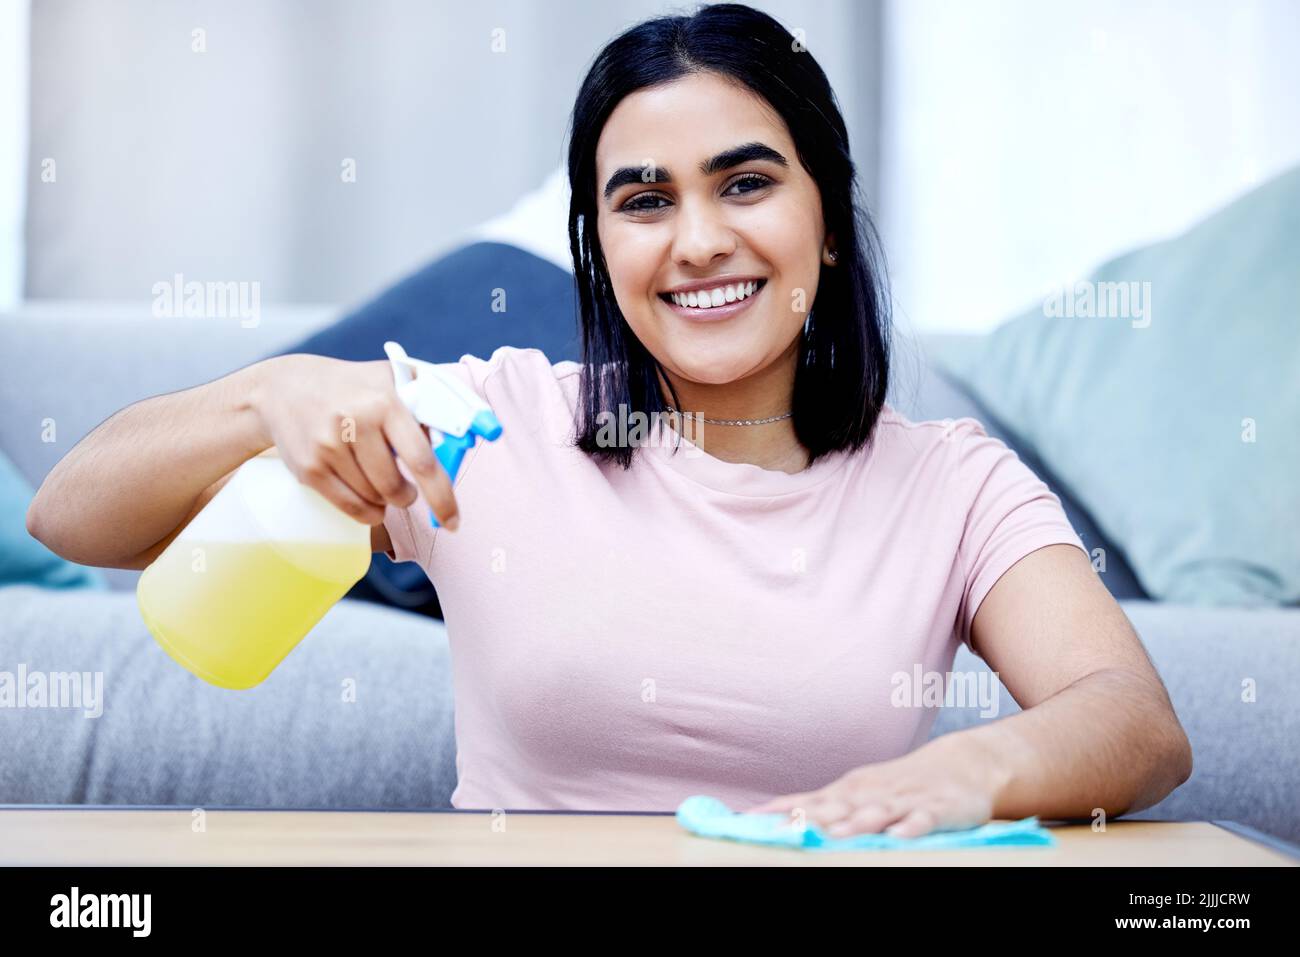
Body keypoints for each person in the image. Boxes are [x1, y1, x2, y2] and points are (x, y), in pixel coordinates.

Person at [27, 3, 1191, 836]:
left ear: (826, 220)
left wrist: (971, 771)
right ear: (600, 250)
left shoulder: (952, 483)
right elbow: (74, 518)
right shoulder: (486, 425)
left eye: (746, 183)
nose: (696, 241)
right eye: (643, 201)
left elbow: (1134, 724)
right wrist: (260, 391)